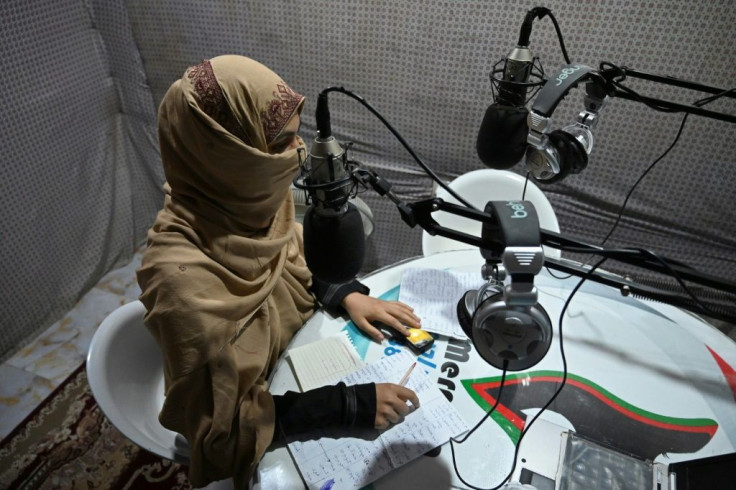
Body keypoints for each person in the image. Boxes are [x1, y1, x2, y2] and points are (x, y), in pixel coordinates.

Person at [136, 54, 422, 488]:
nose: (300, 153)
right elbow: (221, 433)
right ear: (231, 155)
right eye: (281, 143)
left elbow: (294, 257)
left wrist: (346, 292)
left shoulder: (250, 202)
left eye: (296, 136)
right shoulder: (179, 281)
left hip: (304, 359)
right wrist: (348, 407)